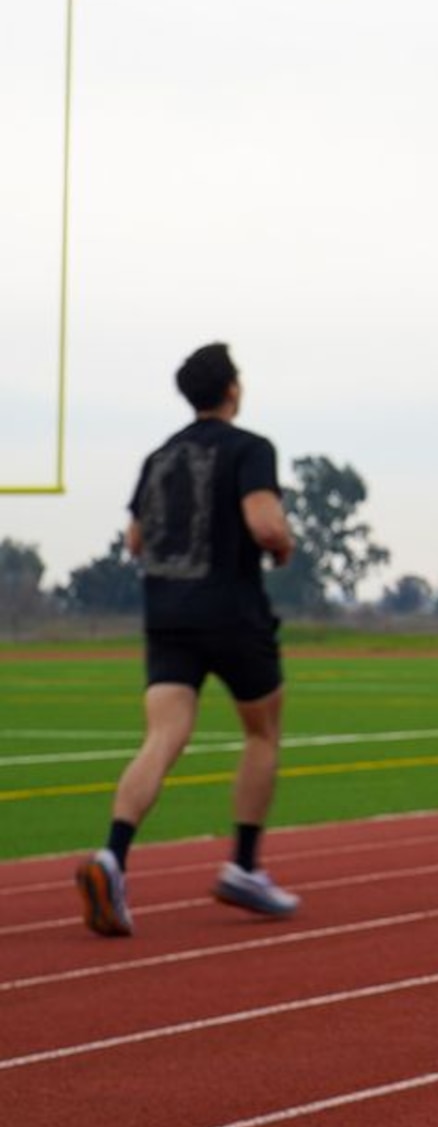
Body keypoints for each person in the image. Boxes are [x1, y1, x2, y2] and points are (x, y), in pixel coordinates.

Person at [75, 343, 300, 937]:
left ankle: (113, 856)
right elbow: (264, 522)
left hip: (166, 614)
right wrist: (281, 545)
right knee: (262, 731)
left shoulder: (159, 456)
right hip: (230, 612)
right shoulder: (251, 448)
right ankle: (245, 866)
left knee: (162, 737)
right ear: (232, 390)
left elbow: (134, 540)